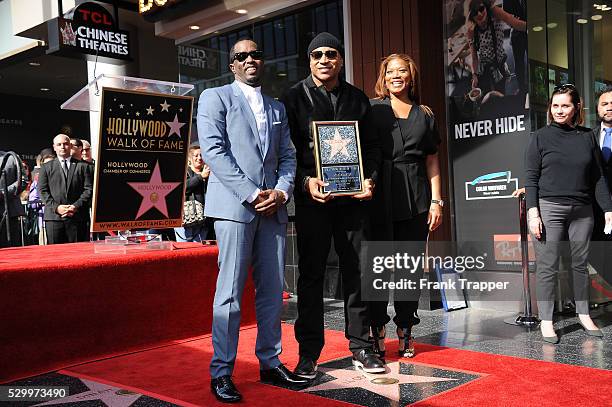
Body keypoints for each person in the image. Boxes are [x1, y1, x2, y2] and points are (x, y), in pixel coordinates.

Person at [197, 38, 305, 403]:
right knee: (228, 294)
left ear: (263, 59)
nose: (249, 60)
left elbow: (289, 156)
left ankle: (270, 362)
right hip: (234, 208)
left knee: (273, 292)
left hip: (273, 210)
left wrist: (281, 191)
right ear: (232, 65)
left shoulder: (276, 106)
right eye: (240, 56)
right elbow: (213, 150)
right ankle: (222, 372)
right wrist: (251, 192)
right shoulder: (215, 98)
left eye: (256, 54)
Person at [281, 32, 384, 378]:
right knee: (311, 275)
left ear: (340, 59)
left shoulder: (357, 99)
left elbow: (371, 148)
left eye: (331, 54)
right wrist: (305, 182)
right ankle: (308, 353)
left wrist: (370, 179)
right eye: (316, 55)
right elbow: (286, 153)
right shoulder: (292, 98)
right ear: (309, 60)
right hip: (313, 201)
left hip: (353, 202)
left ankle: (361, 346)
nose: (324, 60)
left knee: (357, 271)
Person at [367, 54, 443, 358]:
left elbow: (432, 158)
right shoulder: (371, 109)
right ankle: (377, 329)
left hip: (415, 198)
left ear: (411, 77)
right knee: (378, 269)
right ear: (383, 78)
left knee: (408, 270)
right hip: (378, 197)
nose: (395, 76)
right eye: (390, 71)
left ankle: (405, 329)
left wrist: (436, 200)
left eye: (402, 71)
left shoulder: (425, 114)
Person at [525, 84, 612, 343]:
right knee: (548, 266)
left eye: (565, 105)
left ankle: (584, 314)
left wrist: (607, 209)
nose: (559, 110)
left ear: (576, 108)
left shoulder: (586, 137)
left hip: (583, 211)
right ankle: (548, 321)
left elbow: (597, 178)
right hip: (550, 208)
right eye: (555, 105)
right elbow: (531, 177)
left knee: (580, 265)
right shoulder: (539, 136)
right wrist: (533, 213)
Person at [38, 134, 93, 244]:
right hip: (54, 219)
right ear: (54, 147)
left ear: (71, 146)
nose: (62, 147)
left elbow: (88, 190)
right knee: (56, 256)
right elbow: (43, 191)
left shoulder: (84, 166)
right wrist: (57, 208)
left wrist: (75, 206)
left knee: (79, 255)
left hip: (78, 218)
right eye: (59, 144)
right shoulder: (46, 167)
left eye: (66, 144)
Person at [465, 0, 526, 95]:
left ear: (485, 7)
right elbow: (474, 57)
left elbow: (515, 23)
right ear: (471, 16)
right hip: (484, 67)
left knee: (500, 93)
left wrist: (534, 27)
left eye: (481, 9)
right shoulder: (471, 31)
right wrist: (474, 75)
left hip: (499, 64)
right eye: (475, 12)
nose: (480, 13)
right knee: (485, 96)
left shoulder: (494, 13)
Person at [175, 143, 211, 242]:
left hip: (203, 221)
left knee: (199, 251)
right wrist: (200, 177)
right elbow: (181, 188)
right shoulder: (184, 172)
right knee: (185, 251)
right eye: (196, 155)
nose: (199, 158)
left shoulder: (210, 174)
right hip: (187, 220)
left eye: (202, 155)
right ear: (190, 158)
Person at [0, 151, 26, 247]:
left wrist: (3, 193)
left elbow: (23, 180)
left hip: (8, 213)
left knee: (10, 250)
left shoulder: (11, 157)